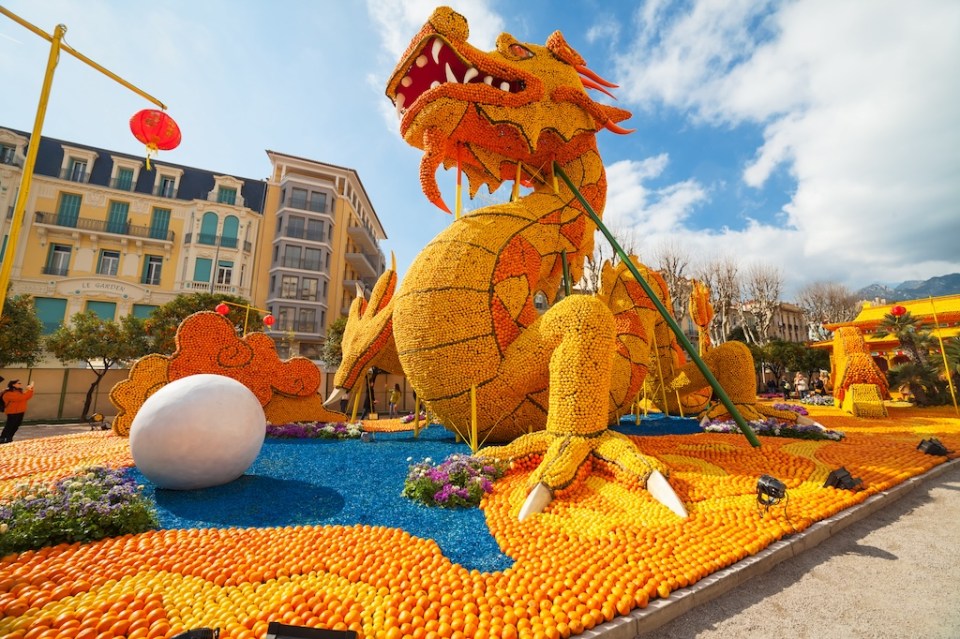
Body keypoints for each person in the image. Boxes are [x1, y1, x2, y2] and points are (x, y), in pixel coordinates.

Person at [1, 379, 35, 443]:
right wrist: (29, 390)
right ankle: (3, 438)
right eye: (18, 383)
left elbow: (27, 397)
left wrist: (30, 390)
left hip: (20, 411)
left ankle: (9, 438)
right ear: (13, 384)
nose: (20, 384)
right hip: (12, 412)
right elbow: (21, 398)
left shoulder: (19, 391)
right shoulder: (8, 393)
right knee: (10, 426)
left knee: (16, 425)